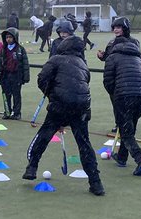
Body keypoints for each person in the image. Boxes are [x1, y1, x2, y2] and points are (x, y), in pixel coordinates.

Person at [22, 22, 105, 196]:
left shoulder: (55, 59)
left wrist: (53, 95)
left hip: (61, 104)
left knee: (44, 135)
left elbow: (42, 79)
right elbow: (85, 84)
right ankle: (96, 183)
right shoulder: (83, 64)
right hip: (81, 106)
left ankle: (32, 167)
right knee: (84, 144)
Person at [101, 16, 141, 176]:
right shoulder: (137, 56)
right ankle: (122, 157)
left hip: (124, 95)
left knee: (126, 131)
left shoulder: (113, 57)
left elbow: (108, 81)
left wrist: (116, 94)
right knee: (129, 127)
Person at [0, 25, 30, 119]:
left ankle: (17, 113)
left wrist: (26, 76)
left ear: (15, 37)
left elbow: (25, 63)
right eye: (7, 37)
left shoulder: (20, 49)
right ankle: (7, 112)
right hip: (5, 75)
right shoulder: (3, 50)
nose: (8, 39)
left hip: (16, 76)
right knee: (6, 95)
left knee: (16, 95)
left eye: (10, 37)